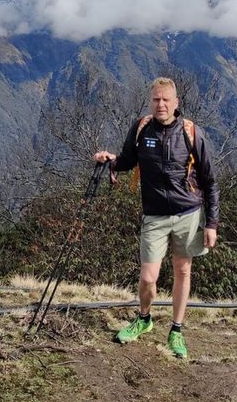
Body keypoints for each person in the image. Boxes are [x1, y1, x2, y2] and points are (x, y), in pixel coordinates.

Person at [93, 76, 219, 359]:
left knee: (182, 270)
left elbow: (210, 181)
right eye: (156, 99)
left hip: (187, 213)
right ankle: (144, 318)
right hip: (154, 215)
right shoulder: (141, 128)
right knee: (148, 277)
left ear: (176, 102)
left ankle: (176, 330)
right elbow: (127, 160)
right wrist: (110, 160)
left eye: (166, 100)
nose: (161, 104)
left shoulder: (191, 132)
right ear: (151, 101)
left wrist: (211, 224)